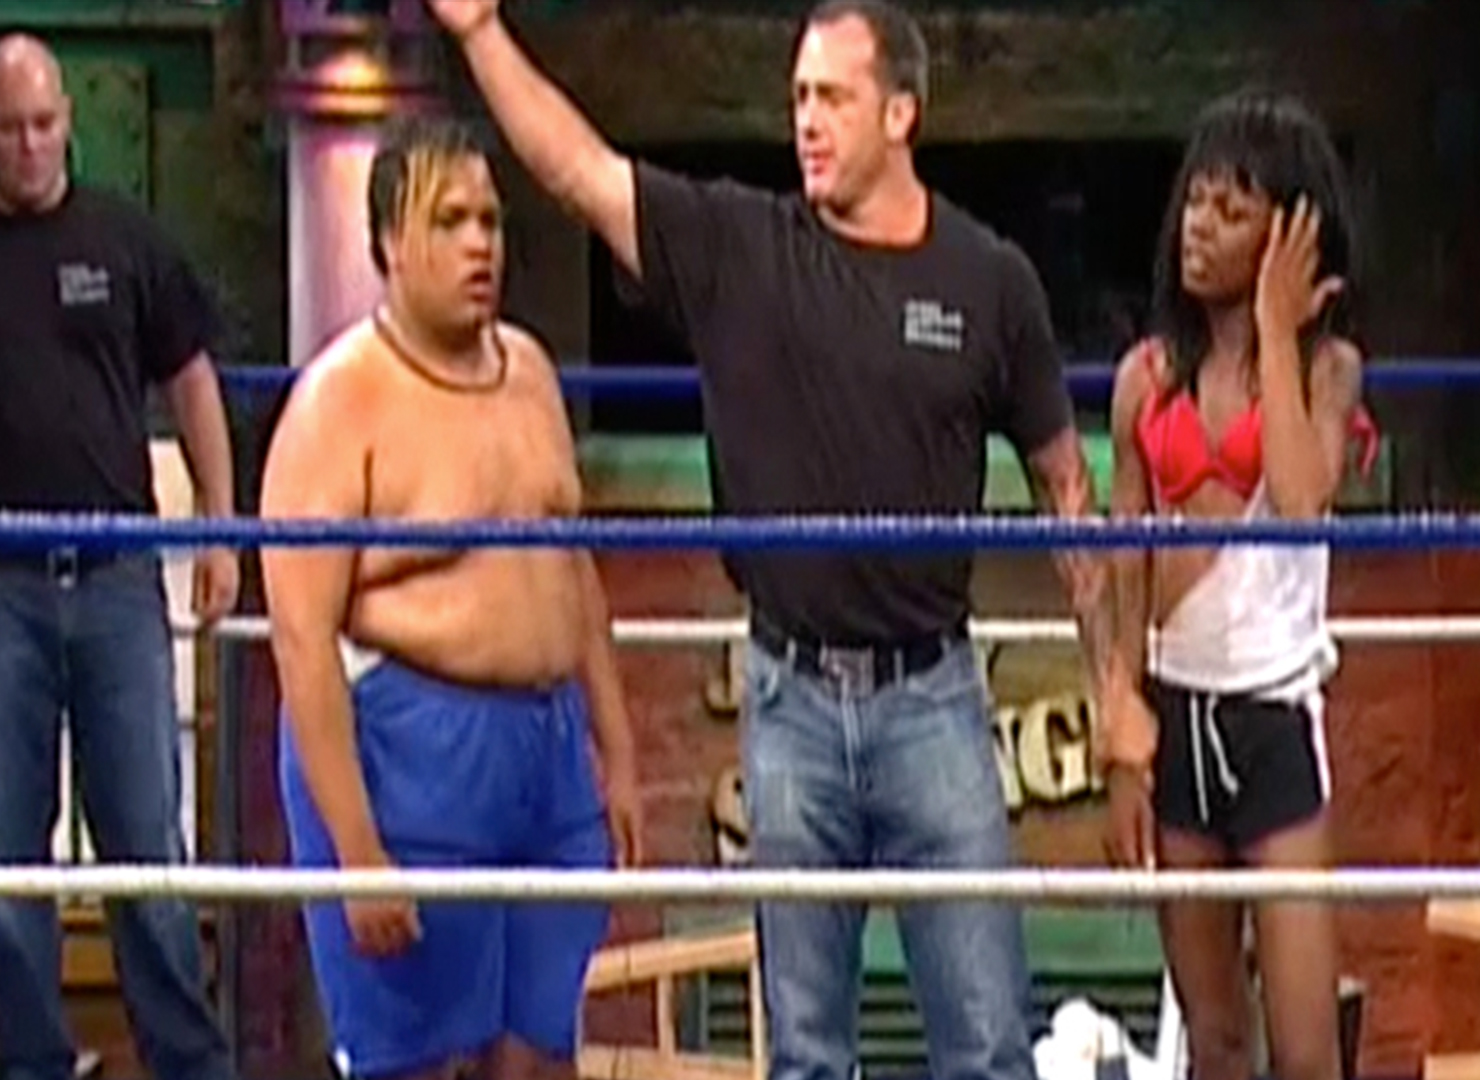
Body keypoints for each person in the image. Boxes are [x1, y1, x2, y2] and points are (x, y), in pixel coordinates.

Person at [421, 3, 1113, 1080]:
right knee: (806, 1052)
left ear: (901, 113)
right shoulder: (740, 247)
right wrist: (480, 35)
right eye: (797, 97)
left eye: (832, 97)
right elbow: (580, 173)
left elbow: (1065, 483)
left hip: (934, 699)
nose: (807, 121)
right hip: (790, 702)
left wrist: (1114, 689)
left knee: (986, 1046)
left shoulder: (989, 280)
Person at [259, 115, 644, 1080]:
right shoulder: (336, 404)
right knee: (419, 1064)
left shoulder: (533, 374)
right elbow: (301, 640)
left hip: (549, 755)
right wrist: (357, 852)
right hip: (410, 754)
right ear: (391, 243)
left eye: (491, 220)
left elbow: (573, 567)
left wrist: (617, 751)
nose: (481, 244)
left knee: (541, 1052)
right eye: (450, 221)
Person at [0, 33, 239, 1080]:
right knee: (7, 851)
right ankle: (32, 1066)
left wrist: (220, 528)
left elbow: (192, 376)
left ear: (69, 122)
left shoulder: (126, 238)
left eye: (43, 125)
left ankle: (186, 1061)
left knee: (146, 835)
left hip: (116, 576)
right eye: (9, 129)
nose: (28, 146)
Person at [1098, 89, 1377, 1080]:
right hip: (1176, 711)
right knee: (1213, 1038)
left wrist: (1273, 325)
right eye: (1196, 201)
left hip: (1272, 715)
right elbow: (1121, 559)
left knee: (1305, 1049)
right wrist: (1120, 726)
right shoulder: (1146, 377)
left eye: (1231, 210)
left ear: (1289, 235)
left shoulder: (1328, 369)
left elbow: (1300, 502)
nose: (1199, 226)